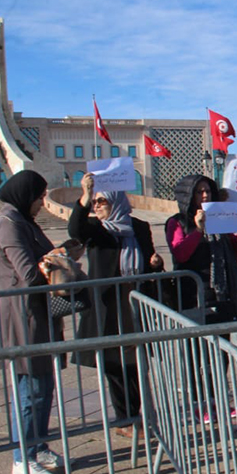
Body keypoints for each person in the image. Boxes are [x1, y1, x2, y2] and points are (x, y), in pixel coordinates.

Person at [68, 173, 163, 438]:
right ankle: (125, 420)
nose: (97, 206)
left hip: (134, 301)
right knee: (114, 365)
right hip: (107, 306)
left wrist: (155, 263)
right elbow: (75, 230)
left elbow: (149, 260)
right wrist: (85, 195)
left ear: (116, 201)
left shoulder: (138, 227)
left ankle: (138, 415)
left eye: (102, 201)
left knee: (135, 363)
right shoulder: (97, 228)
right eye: (95, 202)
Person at [0, 170, 65, 474]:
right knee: (29, 390)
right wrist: (54, 261)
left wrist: (62, 253)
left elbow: (43, 256)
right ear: (26, 196)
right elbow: (29, 273)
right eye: (39, 197)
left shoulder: (25, 221)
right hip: (21, 317)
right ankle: (21, 457)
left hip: (39, 314)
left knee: (44, 387)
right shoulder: (9, 224)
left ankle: (38, 445)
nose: (42, 203)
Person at [166, 175, 237, 323]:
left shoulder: (218, 217)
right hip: (194, 293)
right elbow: (180, 254)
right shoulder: (178, 221)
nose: (205, 195)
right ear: (189, 195)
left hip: (223, 292)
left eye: (208, 191)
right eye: (199, 192)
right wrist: (198, 229)